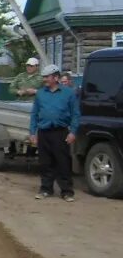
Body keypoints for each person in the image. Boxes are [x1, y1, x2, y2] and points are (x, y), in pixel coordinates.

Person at [29, 64, 79, 202]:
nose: (44, 79)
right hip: (44, 132)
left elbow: (76, 114)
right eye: (44, 77)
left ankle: (67, 191)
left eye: (47, 77)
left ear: (56, 77)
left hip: (60, 132)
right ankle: (46, 189)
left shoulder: (68, 93)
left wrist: (73, 132)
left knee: (63, 162)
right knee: (45, 162)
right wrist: (32, 132)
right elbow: (34, 114)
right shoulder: (40, 94)